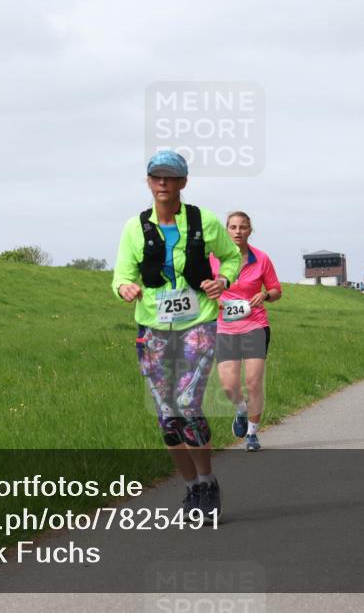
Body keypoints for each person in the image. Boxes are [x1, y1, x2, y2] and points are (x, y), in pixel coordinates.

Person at [112, 150, 241, 522]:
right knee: (166, 415)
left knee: (186, 403)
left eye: (171, 177)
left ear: (184, 182)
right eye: (157, 177)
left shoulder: (205, 221)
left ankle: (207, 479)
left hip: (197, 322)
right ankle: (191, 487)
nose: (163, 184)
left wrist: (223, 281)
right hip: (152, 328)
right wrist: (124, 289)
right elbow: (121, 275)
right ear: (149, 182)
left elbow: (231, 258)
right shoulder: (134, 229)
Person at [211, 212, 282, 453]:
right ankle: (241, 410)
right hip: (225, 326)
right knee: (229, 386)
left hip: (255, 324)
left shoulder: (261, 259)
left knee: (253, 382)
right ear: (226, 230)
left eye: (242, 227)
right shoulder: (213, 259)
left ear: (250, 230)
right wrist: (216, 301)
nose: (238, 231)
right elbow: (201, 289)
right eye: (233, 227)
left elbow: (276, 289)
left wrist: (264, 295)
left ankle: (252, 434)